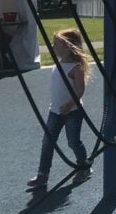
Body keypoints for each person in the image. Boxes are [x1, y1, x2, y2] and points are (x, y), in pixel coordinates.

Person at [27, 29, 91, 190]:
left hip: (73, 111)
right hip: (55, 110)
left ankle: (84, 167)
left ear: (69, 47)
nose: (53, 47)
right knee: (48, 142)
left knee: (73, 141)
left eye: (57, 44)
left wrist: (69, 105)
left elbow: (79, 90)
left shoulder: (76, 67)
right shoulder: (59, 63)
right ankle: (43, 174)